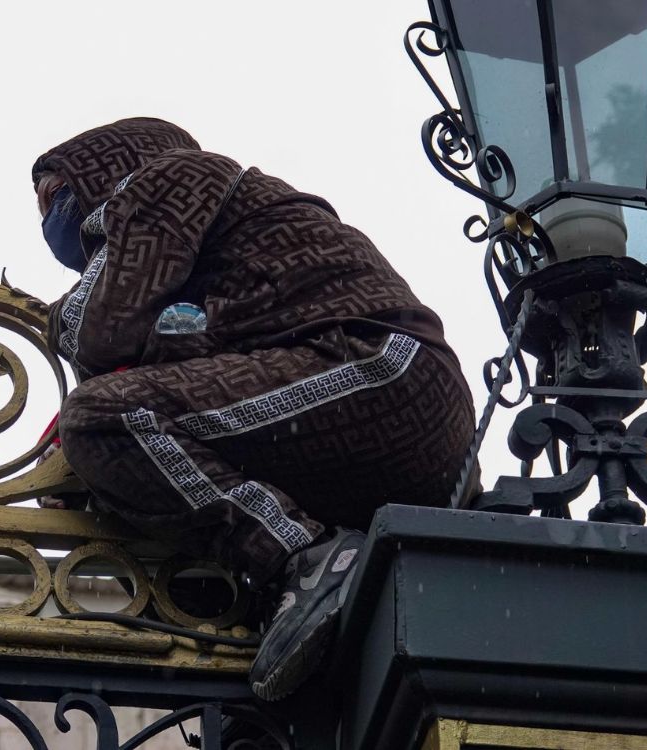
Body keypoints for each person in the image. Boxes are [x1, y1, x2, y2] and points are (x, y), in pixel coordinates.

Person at [32, 118, 473, 700]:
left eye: (54, 194)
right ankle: (299, 603)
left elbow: (101, 330)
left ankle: (305, 559)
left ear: (103, 168)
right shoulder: (211, 237)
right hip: (399, 425)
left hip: (376, 368)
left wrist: (51, 316)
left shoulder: (166, 177)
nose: (47, 219)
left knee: (104, 419)